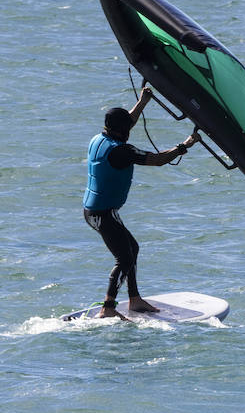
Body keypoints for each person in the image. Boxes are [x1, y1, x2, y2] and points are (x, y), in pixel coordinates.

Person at [83, 86, 198, 319]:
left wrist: (143, 101)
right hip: (102, 214)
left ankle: (134, 300)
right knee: (124, 257)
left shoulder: (100, 138)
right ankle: (108, 307)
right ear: (121, 130)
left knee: (132, 249)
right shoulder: (121, 151)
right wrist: (185, 145)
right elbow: (158, 160)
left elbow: (127, 123)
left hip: (97, 211)